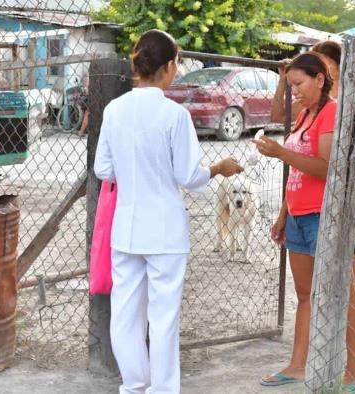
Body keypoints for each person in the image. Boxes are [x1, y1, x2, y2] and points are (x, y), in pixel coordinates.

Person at [93, 29, 243, 394]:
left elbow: (103, 170)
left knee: (126, 315)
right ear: (171, 66)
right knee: (162, 319)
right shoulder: (174, 115)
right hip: (165, 232)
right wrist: (219, 168)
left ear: (137, 64)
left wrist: (133, 172)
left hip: (126, 229)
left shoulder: (115, 110)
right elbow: (188, 176)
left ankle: (133, 386)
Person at [253, 47, 355, 393]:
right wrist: (282, 214)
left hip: (323, 215)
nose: (294, 91)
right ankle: (297, 366)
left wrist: (280, 152)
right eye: (290, 84)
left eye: (298, 84)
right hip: (297, 215)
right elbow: (296, 168)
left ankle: (353, 374)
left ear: (320, 79)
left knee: (345, 293)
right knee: (305, 294)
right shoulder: (306, 113)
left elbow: (326, 168)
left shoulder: (331, 112)